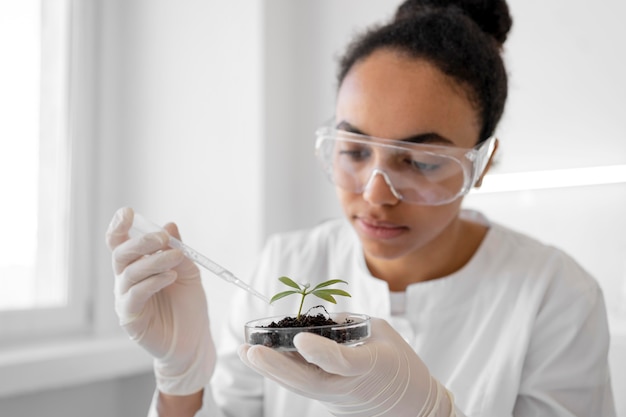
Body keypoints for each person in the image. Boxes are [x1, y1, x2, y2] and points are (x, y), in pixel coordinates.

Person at [105, 0, 616, 416]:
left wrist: (430, 413)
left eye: (419, 161)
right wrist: (182, 382)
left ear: (481, 165)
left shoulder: (558, 297)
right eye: (353, 151)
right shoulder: (286, 264)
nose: (375, 194)